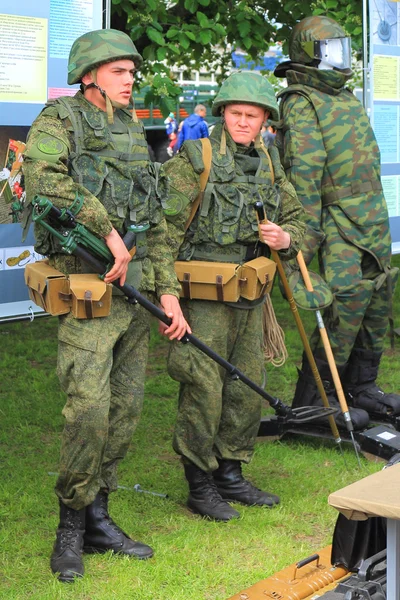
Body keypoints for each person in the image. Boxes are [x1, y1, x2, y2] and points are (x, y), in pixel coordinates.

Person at [22, 28, 190, 582]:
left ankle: (99, 517)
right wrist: (107, 230)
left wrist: (169, 292)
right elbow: (43, 178)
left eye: (132, 72)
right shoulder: (60, 120)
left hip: (136, 296)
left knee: (124, 413)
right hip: (88, 291)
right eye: (119, 71)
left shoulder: (135, 132)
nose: (130, 80)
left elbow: (158, 222)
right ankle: (69, 527)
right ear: (90, 74)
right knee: (88, 412)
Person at [163, 71, 306, 522]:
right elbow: (163, 229)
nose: (244, 122)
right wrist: (167, 295)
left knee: (247, 382)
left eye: (253, 115)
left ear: (266, 120)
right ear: (223, 112)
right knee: (203, 384)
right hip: (204, 294)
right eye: (236, 113)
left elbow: (298, 217)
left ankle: (230, 470)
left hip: (251, 291)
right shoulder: (196, 156)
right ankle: (199, 481)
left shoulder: (269, 160)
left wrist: (285, 237)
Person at [274, 16, 400, 427]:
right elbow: (304, 180)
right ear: (308, 54)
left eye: (343, 50)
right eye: (331, 52)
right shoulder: (301, 102)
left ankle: (361, 387)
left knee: (377, 300)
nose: (341, 60)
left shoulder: (345, 97)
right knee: (345, 304)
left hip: (371, 221)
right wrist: (302, 251)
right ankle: (318, 400)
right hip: (335, 226)